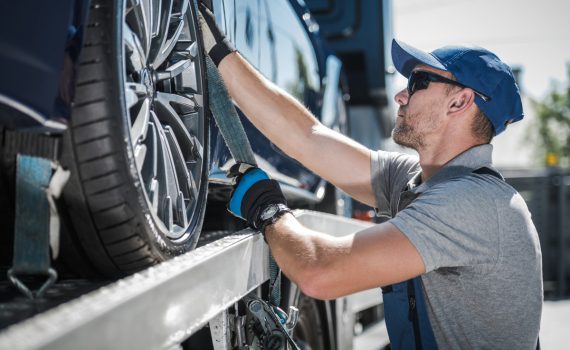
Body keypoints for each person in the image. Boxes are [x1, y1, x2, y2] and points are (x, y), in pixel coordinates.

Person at [199, 4, 542, 349]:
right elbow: (309, 138)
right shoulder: (422, 182)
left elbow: (321, 273)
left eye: (419, 82)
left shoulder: (473, 204)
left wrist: (269, 211)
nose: (400, 94)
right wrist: (220, 53)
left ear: (460, 102)